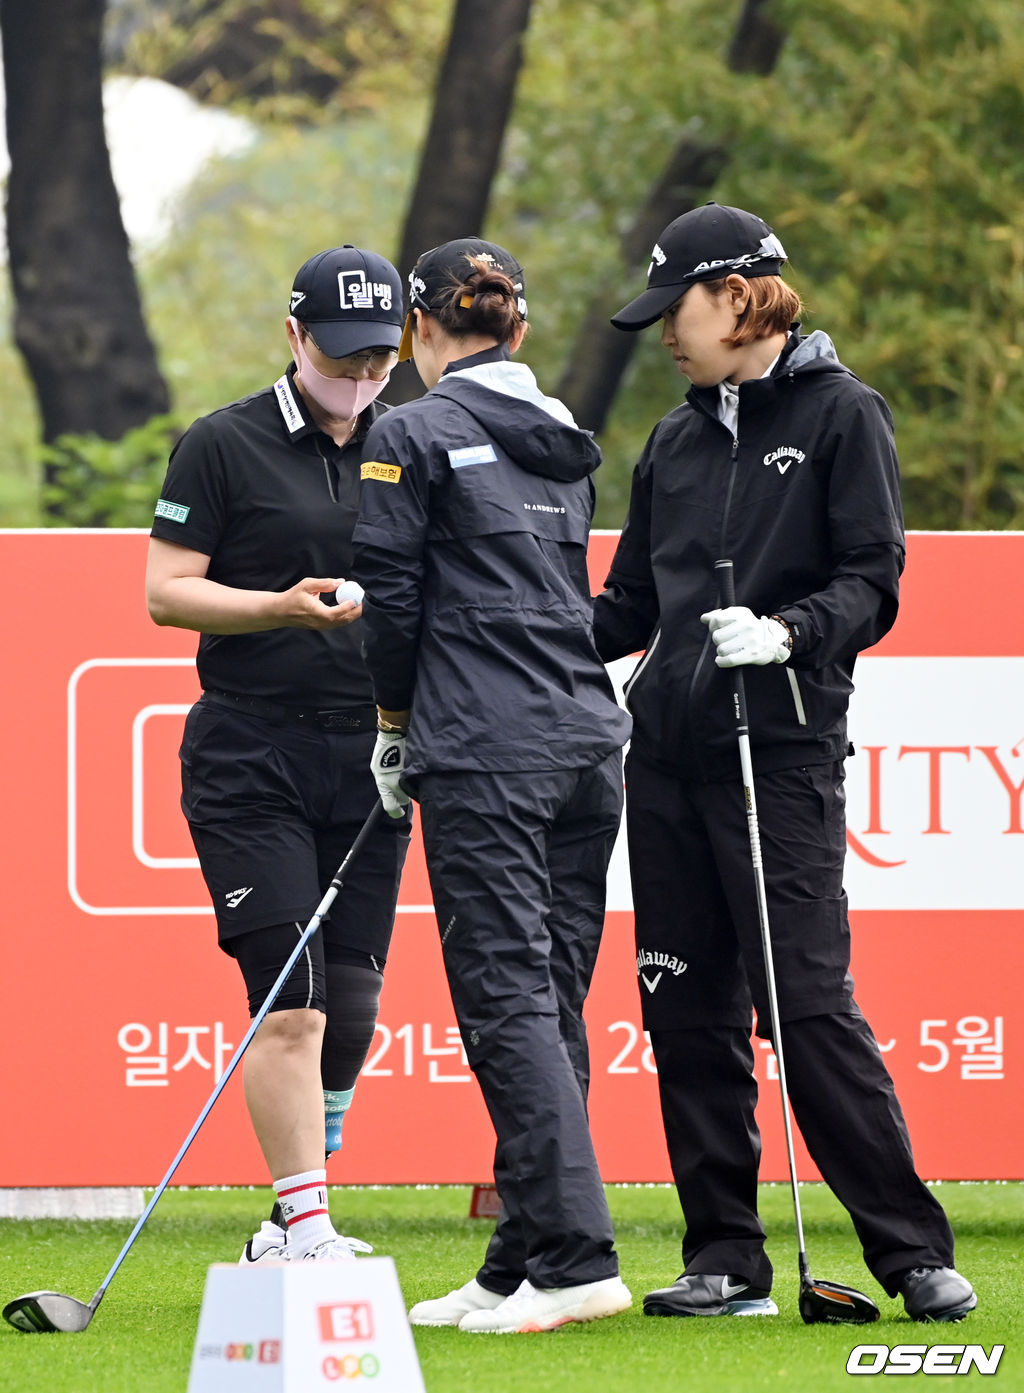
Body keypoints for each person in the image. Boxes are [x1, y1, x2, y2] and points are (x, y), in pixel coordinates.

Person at [593, 202, 976, 1323]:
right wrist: (507, 643)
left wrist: (791, 631)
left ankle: (910, 1253)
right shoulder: (669, 438)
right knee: (681, 1008)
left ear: (741, 294)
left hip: (781, 746)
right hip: (666, 753)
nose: (665, 329)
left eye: (679, 306)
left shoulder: (842, 413)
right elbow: (624, 605)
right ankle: (723, 1256)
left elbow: (873, 577)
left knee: (802, 1004)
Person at [351, 238, 633, 1334]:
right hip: (582, 746)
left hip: (486, 748)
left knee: (508, 1002)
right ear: (514, 328)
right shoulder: (564, 438)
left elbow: (392, 604)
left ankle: (575, 1257)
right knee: (548, 1001)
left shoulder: (409, 429)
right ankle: (516, 1261)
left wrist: (390, 726)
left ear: (423, 330)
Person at [145, 244, 411, 1264]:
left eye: (379, 361)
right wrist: (280, 608)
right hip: (250, 756)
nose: (357, 383)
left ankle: (283, 1218)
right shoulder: (221, 444)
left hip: (376, 760)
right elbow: (168, 591)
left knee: (351, 1011)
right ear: (292, 335)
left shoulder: (411, 442)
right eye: (339, 359)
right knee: (290, 1002)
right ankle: (307, 1224)